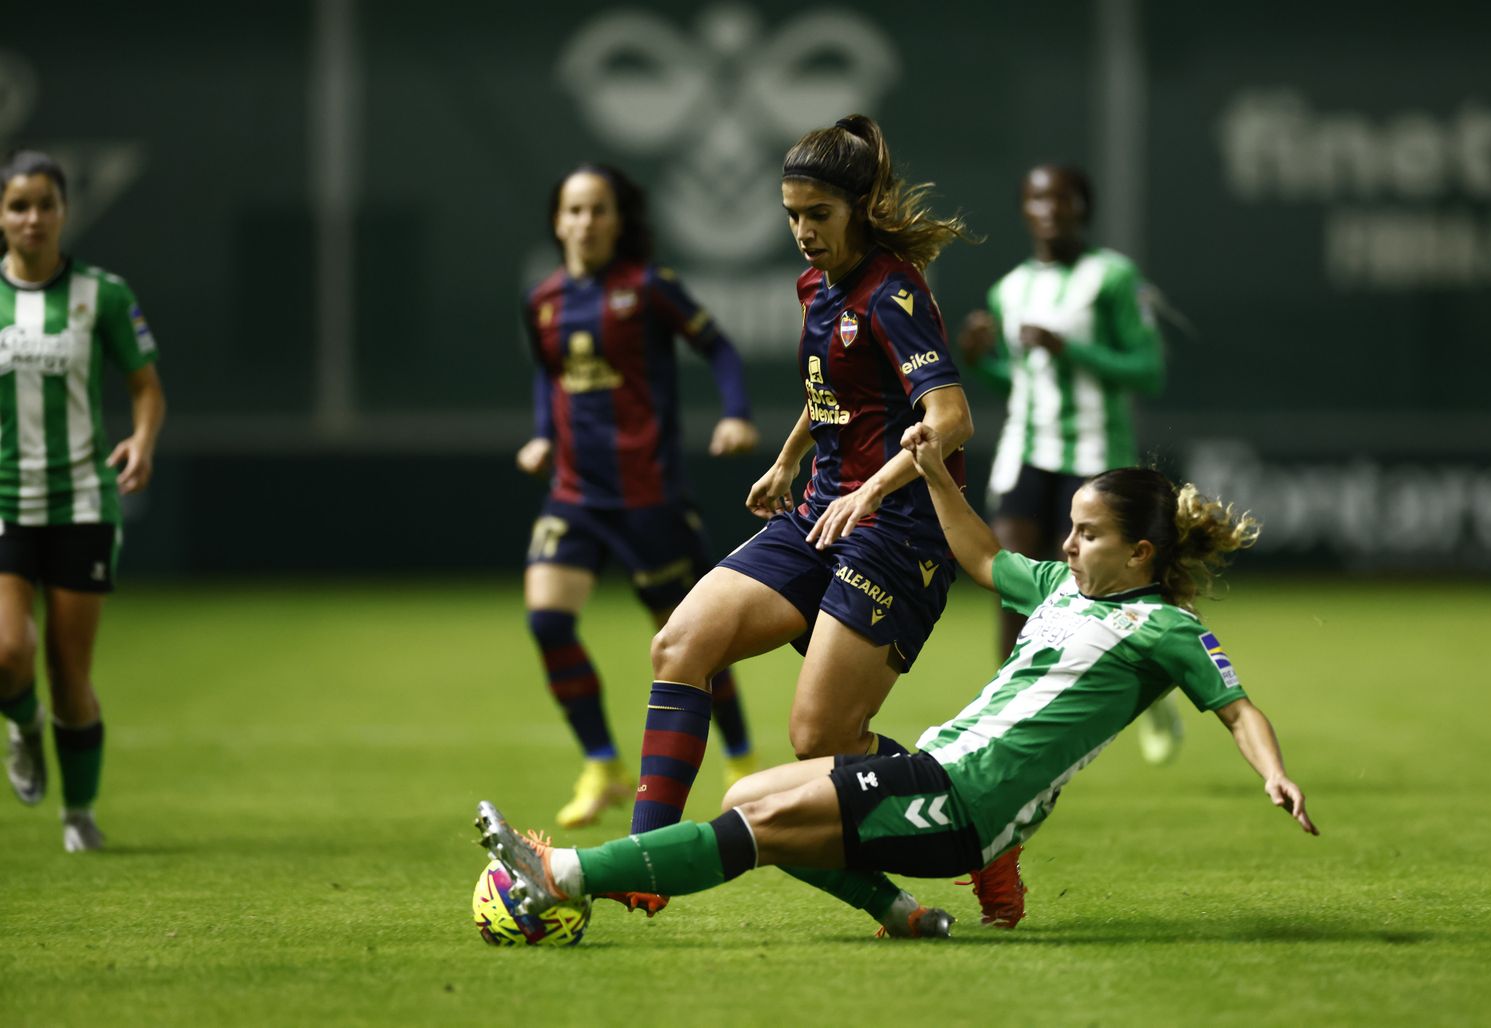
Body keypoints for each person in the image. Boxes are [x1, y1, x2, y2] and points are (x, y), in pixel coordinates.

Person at [472, 430, 1317, 941]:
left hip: (966, 802)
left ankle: (565, 876)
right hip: (943, 771)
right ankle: (901, 913)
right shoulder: (1061, 590)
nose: (1067, 545)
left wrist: (1272, 772)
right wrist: (939, 478)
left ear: (1141, 555)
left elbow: (1237, 709)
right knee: (757, 800)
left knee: (763, 818)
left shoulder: (1163, 628)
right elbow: (983, 556)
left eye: (1089, 534)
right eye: (1070, 528)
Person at [607, 114, 977, 915]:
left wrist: (870, 491)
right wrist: (789, 458)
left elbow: (950, 421)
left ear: (858, 208)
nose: (803, 232)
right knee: (680, 641)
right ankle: (642, 859)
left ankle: (982, 833)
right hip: (817, 515)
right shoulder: (818, 286)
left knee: (822, 742)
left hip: (896, 533)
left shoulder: (894, 291)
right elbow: (835, 393)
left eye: (819, 215)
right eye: (792, 216)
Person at [518, 163, 762, 831]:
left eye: (598, 210)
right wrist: (544, 436)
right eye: (573, 210)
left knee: (690, 640)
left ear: (619, 221)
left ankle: (740, 759)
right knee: (547, 619)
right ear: (556, 220)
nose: (585, 222)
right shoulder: (542, 301)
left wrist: (735, 412)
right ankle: (602, 764)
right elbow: (550, 377)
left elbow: (720, 348)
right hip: (574, 493)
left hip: (647, 495)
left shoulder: (648, 288)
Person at [957, 165, 1182, 767]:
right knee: (1010, 584)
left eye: (1062, 197)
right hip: (1026, 452)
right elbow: (1025, 381)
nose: (1049, 208)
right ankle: (1002, 720)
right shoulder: (1010, 288)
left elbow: (1147, 370)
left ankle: (1152, 687)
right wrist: (981, 362)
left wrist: (1070, 347)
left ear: (1083, 206)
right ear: (1023, 209)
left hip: (1093, 459)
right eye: (1036, 198)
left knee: (1096, 595)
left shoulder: (1111, 277)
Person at [0, 150, 166, 852]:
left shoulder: (104, 294)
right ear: (1, 216)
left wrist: (143, 440)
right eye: (18, 205)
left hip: (82, 504)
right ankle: (23, 724)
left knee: (72, 675)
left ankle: (80, 815)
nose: (32, 217)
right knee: (7, 652)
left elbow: (145, 387)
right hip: (7, 501)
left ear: (65, 212)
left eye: (45, 203)